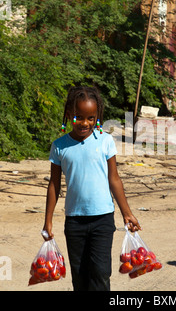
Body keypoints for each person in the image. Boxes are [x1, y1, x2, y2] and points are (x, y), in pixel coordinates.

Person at [42, 86, 141, 291]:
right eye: (79, 117)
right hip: (75, 221)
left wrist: (127, 213)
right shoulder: (60, 146)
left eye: (90, 118)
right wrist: (48, 220)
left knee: (101, 272)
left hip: (102, 219)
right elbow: (54, 184)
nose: (84, 123)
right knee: (79, 275)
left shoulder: (105, 141)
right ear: (69, 115)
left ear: (97, 117)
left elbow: (114, 179)